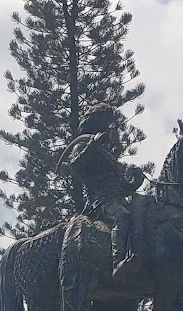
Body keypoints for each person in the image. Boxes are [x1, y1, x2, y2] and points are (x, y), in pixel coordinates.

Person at [56, 101, 146, 281]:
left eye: (108, 122)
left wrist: (137, 181)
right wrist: (92, 146)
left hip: (117, 199)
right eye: (104, 121)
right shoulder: (82, 146)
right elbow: (73, 167)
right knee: (122, 217)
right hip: (99, 202)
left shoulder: (106, 154)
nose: (107, 126)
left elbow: (122, 187)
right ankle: (118, 262)